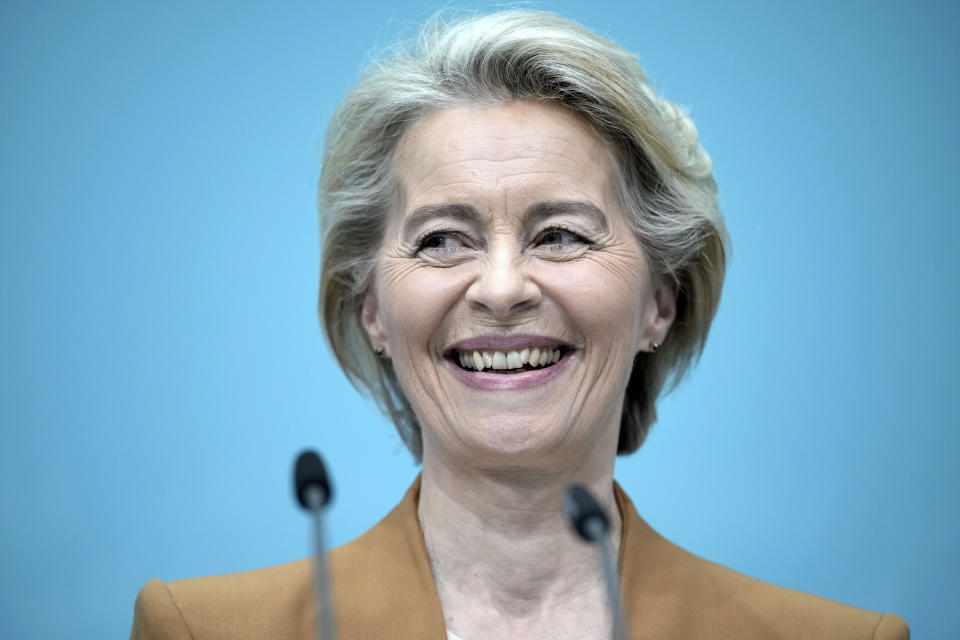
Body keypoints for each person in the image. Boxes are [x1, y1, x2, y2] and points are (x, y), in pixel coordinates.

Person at [130, 10, 909, 640]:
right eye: (442, 240)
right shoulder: (204, 630)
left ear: (659, 302)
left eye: (561, 235)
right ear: (372, 308)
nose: (501, 289)